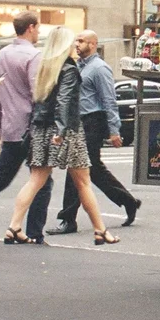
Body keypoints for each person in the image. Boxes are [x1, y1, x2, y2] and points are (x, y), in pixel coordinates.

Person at [2, 27, 117, 246]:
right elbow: (64, 101)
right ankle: (100, 231)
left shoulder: (45, 67)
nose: (75, 45)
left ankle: (14, 226)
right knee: (83, 182)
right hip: (67, 131)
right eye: (72, 41)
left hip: (41, 128)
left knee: (35, 180)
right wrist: (62, 130)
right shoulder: (69, 69)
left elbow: (39, 100)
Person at [0, 12, 52, 244]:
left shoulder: (2, 55)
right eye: (38, 28)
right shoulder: (34, 56)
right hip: (30, 127)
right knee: (42, 181)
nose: (38, 32)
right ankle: (34, 233)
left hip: (11, 127)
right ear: (31, 27)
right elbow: (37, 94)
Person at [48, 31, 141, 233]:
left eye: (81, 41)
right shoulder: (78, 66)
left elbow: (109, 100)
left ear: (93, 44)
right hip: (78, 122)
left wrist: (114, 130)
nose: (77, 44)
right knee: (94, 170)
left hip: (92, 122)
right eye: (76, 40)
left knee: (76, 166)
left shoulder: (99, 68)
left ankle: (68, 219)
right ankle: (129, 201)